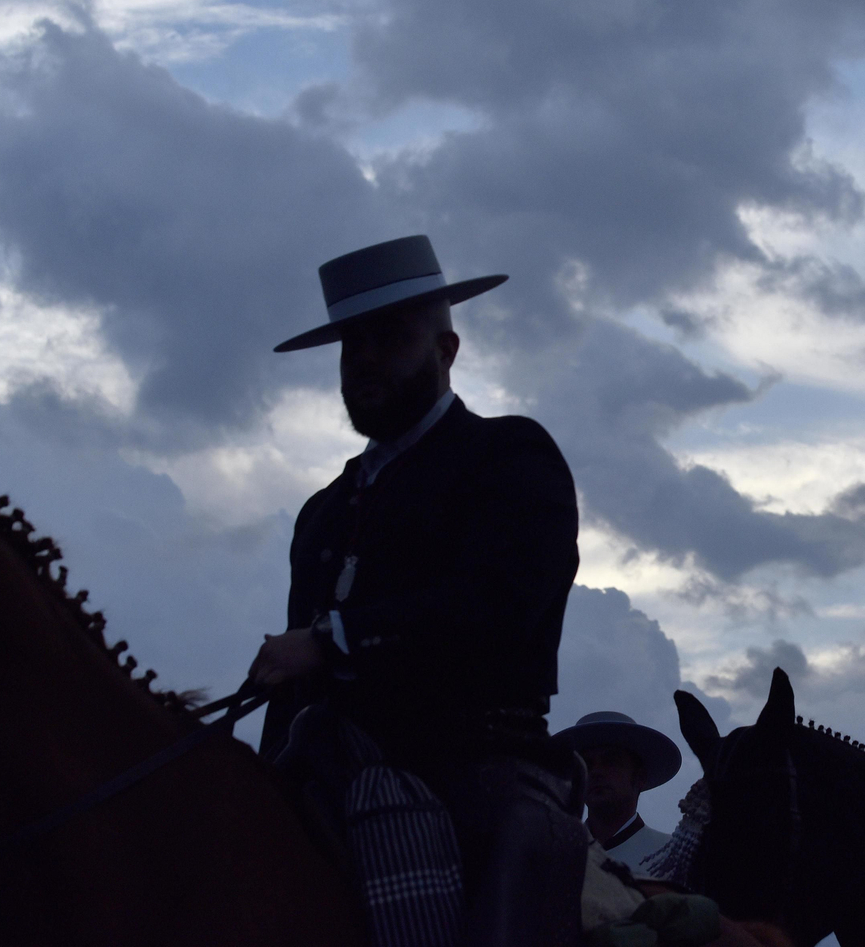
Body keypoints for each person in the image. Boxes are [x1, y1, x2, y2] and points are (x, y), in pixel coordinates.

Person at [249, 234, 585, 946]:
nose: (364, 358)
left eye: (390, 337)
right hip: (325, 766)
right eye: (351, 345)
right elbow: (295, 692)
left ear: (447, 350)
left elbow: (503, 607)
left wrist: (331, 640)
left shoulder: (508, 455)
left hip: (476, 766)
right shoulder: (323, 510)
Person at [555, 711, 681, 874]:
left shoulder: (672, 857)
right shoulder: (555, 856)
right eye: (587, 765)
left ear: (640, 777)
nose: (596, 772)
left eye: (611, 762)